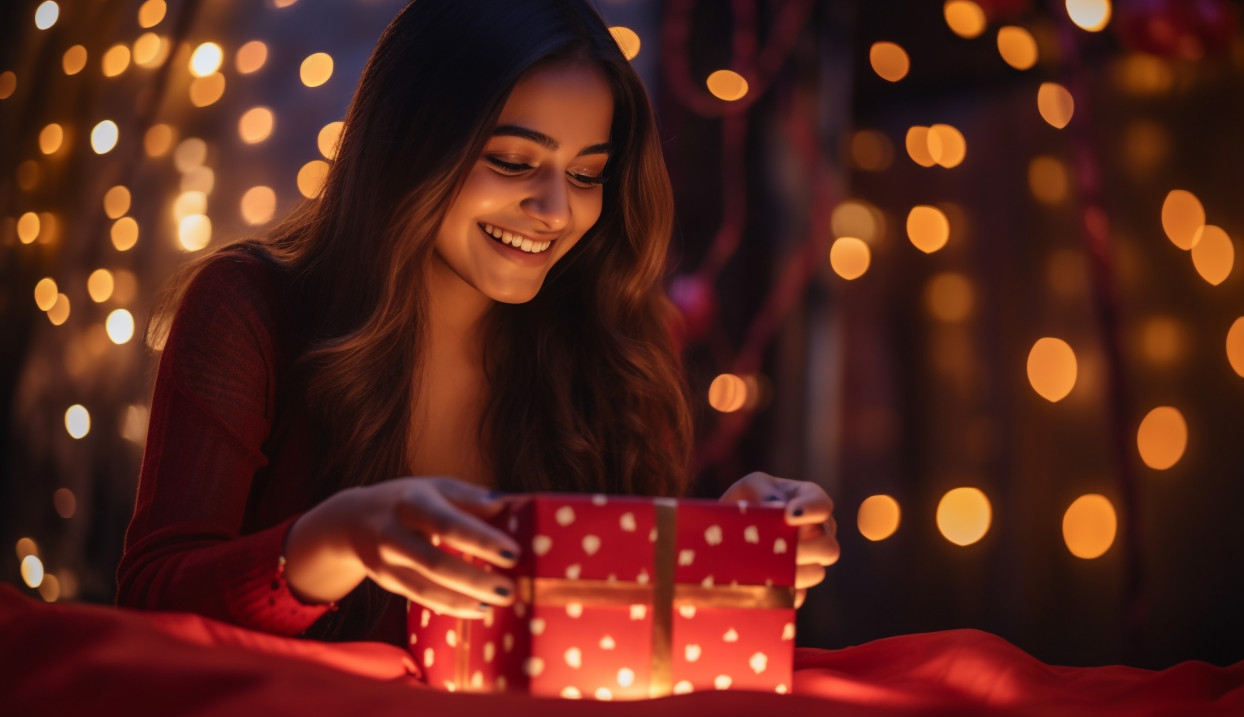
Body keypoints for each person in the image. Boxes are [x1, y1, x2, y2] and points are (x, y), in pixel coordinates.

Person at [117, 0, 840, 646]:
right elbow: (150, 606)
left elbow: (617, 636)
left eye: (588, 174)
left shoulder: (610, 341)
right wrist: (333, 543)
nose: (557, 212)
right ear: (410, 146)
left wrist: (724, 548)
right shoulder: (248, 309)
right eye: (513, 161)